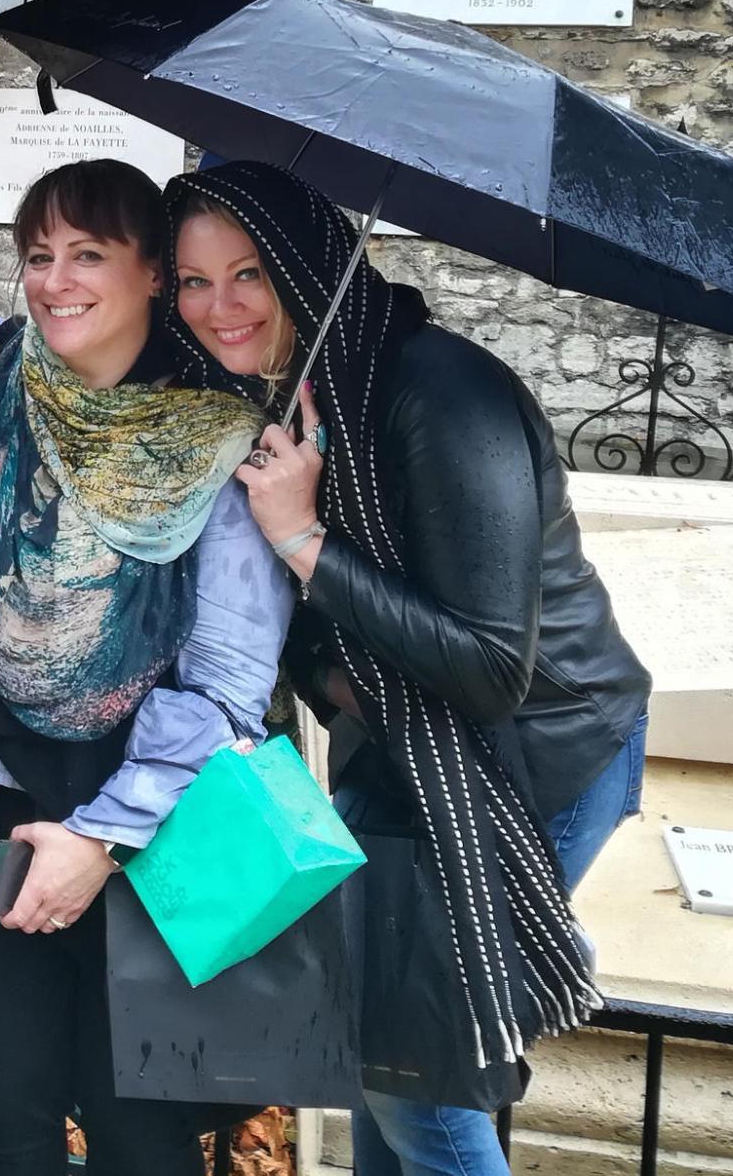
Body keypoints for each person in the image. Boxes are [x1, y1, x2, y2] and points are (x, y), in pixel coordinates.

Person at [162, 160, 651, 1176]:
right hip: (404, 752)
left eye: (248, 273)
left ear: (307, 263)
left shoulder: (443, 397)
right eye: (193, 280)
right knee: (388, 1050)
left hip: (532, 756)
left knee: (415, 1074)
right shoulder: (303, 393)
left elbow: (487, 668)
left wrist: (302, 543)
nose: (219, 308)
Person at [0, 151, 294, 1176]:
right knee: (5, 1111)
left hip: (155, 836)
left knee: (139, 1123)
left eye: (89, 254)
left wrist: (101, 840)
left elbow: (229, 689)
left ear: (153, 273)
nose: (55, 279)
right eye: (38, 254)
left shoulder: (219, 443)